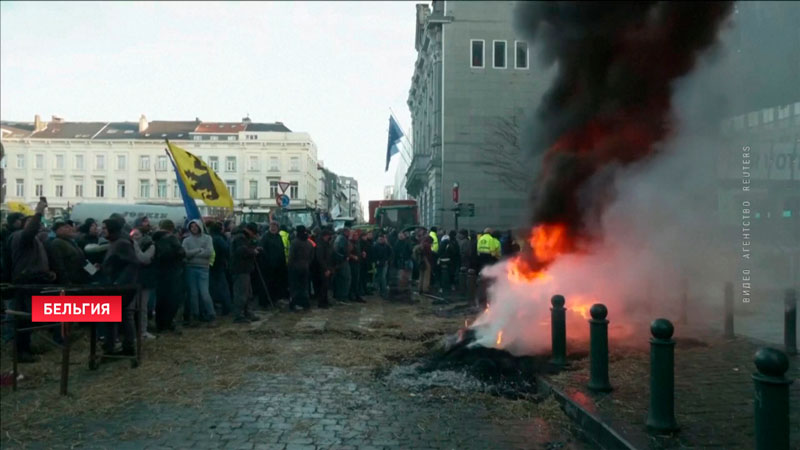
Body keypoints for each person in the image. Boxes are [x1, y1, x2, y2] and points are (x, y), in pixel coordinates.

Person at [8, 199, 53, 362]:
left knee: (30, 316)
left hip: (35, 280)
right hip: (26, 281)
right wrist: (39, 212)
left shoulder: (34, 240)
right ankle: (21, 352)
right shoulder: (21, 236)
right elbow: (31, 230)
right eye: (31, 222)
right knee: (24, 316)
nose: (37, 225)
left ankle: (26, 347)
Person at [100, 217, 139, 356]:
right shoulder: (115, 242)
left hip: (121, 287)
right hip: (116, 285)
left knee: (121, 316)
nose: (102, 230)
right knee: (118, 316)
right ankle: (115, 346)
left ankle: (124, 346)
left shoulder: (121, 243)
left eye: (104, 228)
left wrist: (120, 283)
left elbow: (132, 264)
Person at [182, 219, 217, 327]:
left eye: (196, 226)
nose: (194, 228)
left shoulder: (207, 238)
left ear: (200, 227)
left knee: (204, 293)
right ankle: (195, 316)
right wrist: (198, 250)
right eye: (192, 226)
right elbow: (185, 254)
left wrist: (192, 254)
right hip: (190, 268)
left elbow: (209, 252)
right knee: (193, 294)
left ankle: (212, 315)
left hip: (203, 268)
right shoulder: (186, 240)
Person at [153, 219, 185, 334]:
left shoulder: (154, 238)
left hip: (158, 273)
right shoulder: (172, 239)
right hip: (172, 272)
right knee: (172, 300)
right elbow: (181, 253)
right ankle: (167, 323)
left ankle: (159, 324)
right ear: (171, 228)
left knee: (160, 300)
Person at [231, 223, 261, 323]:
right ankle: (238, 315)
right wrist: (253, 252)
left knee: (248, 293)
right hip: (240, 269)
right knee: (241, 293)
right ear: (251, 231)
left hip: (245, 269)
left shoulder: (242, 237)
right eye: (254, 233)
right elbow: (241, 251)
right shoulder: (240, 238)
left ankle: (248, 312)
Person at [130, 228, 156, 339]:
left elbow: (143, 259)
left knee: (142, 307)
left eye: (137, 234)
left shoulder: (150, 245)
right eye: (132, 235)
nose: (134, 237)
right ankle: (130, 332)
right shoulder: (128, 245)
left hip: (145, 280)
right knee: (130, 308)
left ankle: (142, 331)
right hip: (132, 279)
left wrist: (135, 247)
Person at [47, 220, 90, 285]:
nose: (70, 229)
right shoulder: (57, 243)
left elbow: (82, 261)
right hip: (72, 282)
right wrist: (66, 283)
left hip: (80, 280)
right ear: (58, 230)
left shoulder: (71, 242)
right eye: (66, 227)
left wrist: (93, 270)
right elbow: (59, 266)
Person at [260, 221, 288, 303]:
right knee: (267, 284)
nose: (273, 228)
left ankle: (274, 299)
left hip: (278, 265)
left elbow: (282, 249)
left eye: (275, 226)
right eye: (272, 226)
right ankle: (265, 301)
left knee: (276, 284)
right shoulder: (265, 237)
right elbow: (262, 250)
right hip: (268, 265)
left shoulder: (278, 237)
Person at [288, 225, 315, 311]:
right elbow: (312, 256)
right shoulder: (309, 243)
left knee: (295, 287)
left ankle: (295, 304)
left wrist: (289, 266)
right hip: (306, 267)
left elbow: (291, 257)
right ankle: (305, 304)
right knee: (304, 287)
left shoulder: (294, 242)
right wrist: (307, 263)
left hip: (295, 268)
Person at [208, 221, 232, 316]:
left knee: (211, 287)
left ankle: (214, 305)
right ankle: (226, 307)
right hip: (219, 265)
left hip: (210, 265)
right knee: (223, 287)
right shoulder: (219, 239)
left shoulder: (210, 238)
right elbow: (227, 249)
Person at [314, 228, 334, 308]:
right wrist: (326, 269)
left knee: (326, 286)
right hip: (322, 268)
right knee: (323, 286)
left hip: (327, 267)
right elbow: (320, 258)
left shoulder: (326, 243)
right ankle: (321, 302)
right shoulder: (320, 245)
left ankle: (325, 301)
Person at [332, 228, 351, 302]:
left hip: (337, 261)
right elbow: (343, 249)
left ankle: (337, 296)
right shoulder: (343, 239)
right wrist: (346, 256)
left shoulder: (337, 238)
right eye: (349, 232)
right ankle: (343, 297)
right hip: (342, 261)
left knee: (339, 279)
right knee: (346, 279)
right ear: (346, 232)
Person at [371, 233, 393, 298]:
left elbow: (391, 254)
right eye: (380, 239)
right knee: (380, 277)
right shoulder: (375, 246)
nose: (381, 240)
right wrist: (376, 261)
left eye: (382, 239)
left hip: (384, 263)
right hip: (378, 263)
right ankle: (381, 290)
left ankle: (383, 291)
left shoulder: (387, 246)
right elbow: (373, 254)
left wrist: (387, 260)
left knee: (382, 277)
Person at [393, 231, 413, 295]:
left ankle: (406, 289)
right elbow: (395, 253)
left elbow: (410, 251)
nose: (401, 237)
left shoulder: (406, 242)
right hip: (401, 261)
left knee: (407, 276)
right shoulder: (397, 243)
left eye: (402, 236)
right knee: (401, 276)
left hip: (406, 260)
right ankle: (401, 289)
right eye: (400, 236)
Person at [348, 230, 365, 303]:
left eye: (357, 235)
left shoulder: (357, 242)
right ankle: (352, 295)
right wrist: (353, 256)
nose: (356, 236)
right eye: (354, 235)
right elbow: (347, 253)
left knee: (356, 279)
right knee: (353, 280)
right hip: (352, 263)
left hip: (358, 262)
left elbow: (359, 250)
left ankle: (356, 294)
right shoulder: (349, 243)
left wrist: (362, 253)